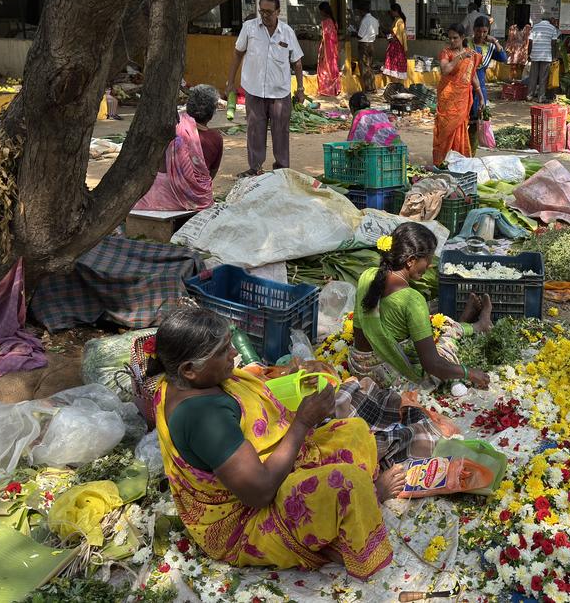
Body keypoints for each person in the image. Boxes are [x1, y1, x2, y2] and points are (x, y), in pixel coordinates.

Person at [152, 307, 404, 579]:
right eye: (224, 350)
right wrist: (302, 423)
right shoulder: (203, 417)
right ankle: (363, 503)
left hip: (267, 470)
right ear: (189, 370)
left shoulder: (186, 382)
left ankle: (337, 517)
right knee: (347, 482)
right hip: (246, 518)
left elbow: (252, 417)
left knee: (353, 431)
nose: (235, 353)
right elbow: (259, 494)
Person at [351, 223, 492, 389]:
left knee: (434, 324)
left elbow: (360, 332)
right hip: (388, 379)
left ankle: (466, 323)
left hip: (360, 368)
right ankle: (477, 325)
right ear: (411, 261)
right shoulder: (411, 299)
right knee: (444, 343)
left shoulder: (368, 276)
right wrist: (469, 372)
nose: (430, 264)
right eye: (429, 258)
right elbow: (433, 365)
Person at [225, 0, 305, 176]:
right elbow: (238, 53)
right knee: (255, 131)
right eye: (262, 11)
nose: (265, 15)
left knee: (281, 133)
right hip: (254, 89)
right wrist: (230, 82)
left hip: (280, 93)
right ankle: (255, 168)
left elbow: (297, 62)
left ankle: (282, 170)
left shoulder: (287, 32)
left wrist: (300, 89)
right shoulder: (249, 28)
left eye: (269, 12)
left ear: (278, 11)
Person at [134, 85, 221, 211]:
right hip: (195, 200)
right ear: (212, 112)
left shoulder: (170, 128)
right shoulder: (215, 138)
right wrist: (188, 185)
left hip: (157, 197)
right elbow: (211, 173)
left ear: (189, 106)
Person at [432, 24, 480, 165]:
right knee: (445, 128)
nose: (452, 41)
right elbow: (445, 70)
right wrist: (459, 57)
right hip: (447, 97)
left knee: (460, 127)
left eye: (455, 38)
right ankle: (443, 159)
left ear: (462, 37)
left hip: (462, 98)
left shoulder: (470, 53)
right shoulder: (446, 53)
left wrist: (481, 95)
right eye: (450, 38)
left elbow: (473, 75)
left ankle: (458, 158)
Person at [468, 17, 508, 151]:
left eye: (485, 32)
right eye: (479, 31)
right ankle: (461, 148)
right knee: (462, 121)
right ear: (474, 30)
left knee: (476, 120)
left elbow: (503, 58)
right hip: (465, 87)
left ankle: (470, 151)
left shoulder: (489, 47)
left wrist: (495, 41)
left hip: (480, 88)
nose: (481, 35)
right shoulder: (466, 43)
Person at [527, 15, 559, 102]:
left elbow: (530, 41)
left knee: (533, 76)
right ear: (549, 20)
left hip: (535, 55)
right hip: (546, 55)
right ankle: (541, 97)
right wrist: (554, 56)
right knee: (543, 78)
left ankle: (529, 96)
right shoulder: (552, 28)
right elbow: (554, 44)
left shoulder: (535, 27)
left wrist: (529, 54)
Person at [317, 2, 341, 97]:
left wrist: (322, 52)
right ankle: (335, 89)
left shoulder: (326, 22)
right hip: (333, 48)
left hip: (327, 49)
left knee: (324, 68)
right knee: (333, 68)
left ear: (323, 11)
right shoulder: (334, 21)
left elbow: (324, 39)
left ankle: (326, 90)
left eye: (320, 11)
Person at [355, 2, 379, 93]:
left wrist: (355, 34)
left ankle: (369, 88)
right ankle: (373, 87)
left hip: (363, 45)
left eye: (359, 11)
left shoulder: (364, 20)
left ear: (362, 11)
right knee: (370, 66)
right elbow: (376, 33)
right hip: (371, 44)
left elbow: (360, 35)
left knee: (364, 67)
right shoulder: (374, 20)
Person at [382, 3, 409, 81]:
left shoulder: (399, 21)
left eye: (392, 11)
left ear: (395, 11)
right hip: (395, 46)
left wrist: (387, 37)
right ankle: (395, 84)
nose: (391, 13)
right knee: (394, 67)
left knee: (395, 67)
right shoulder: (398, 20)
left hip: (396, 46)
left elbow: (398, 34)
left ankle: (395, 84)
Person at [504, 17, 532, 81]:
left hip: (514, 48)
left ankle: (512, 80)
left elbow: (510, 39)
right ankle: (522, 80)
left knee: (513, 66)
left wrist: (508, 49)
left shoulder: (512, 27)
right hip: (523, 49)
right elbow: (527, 40)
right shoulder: (527, 28)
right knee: (522, 66)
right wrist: (527, 50)